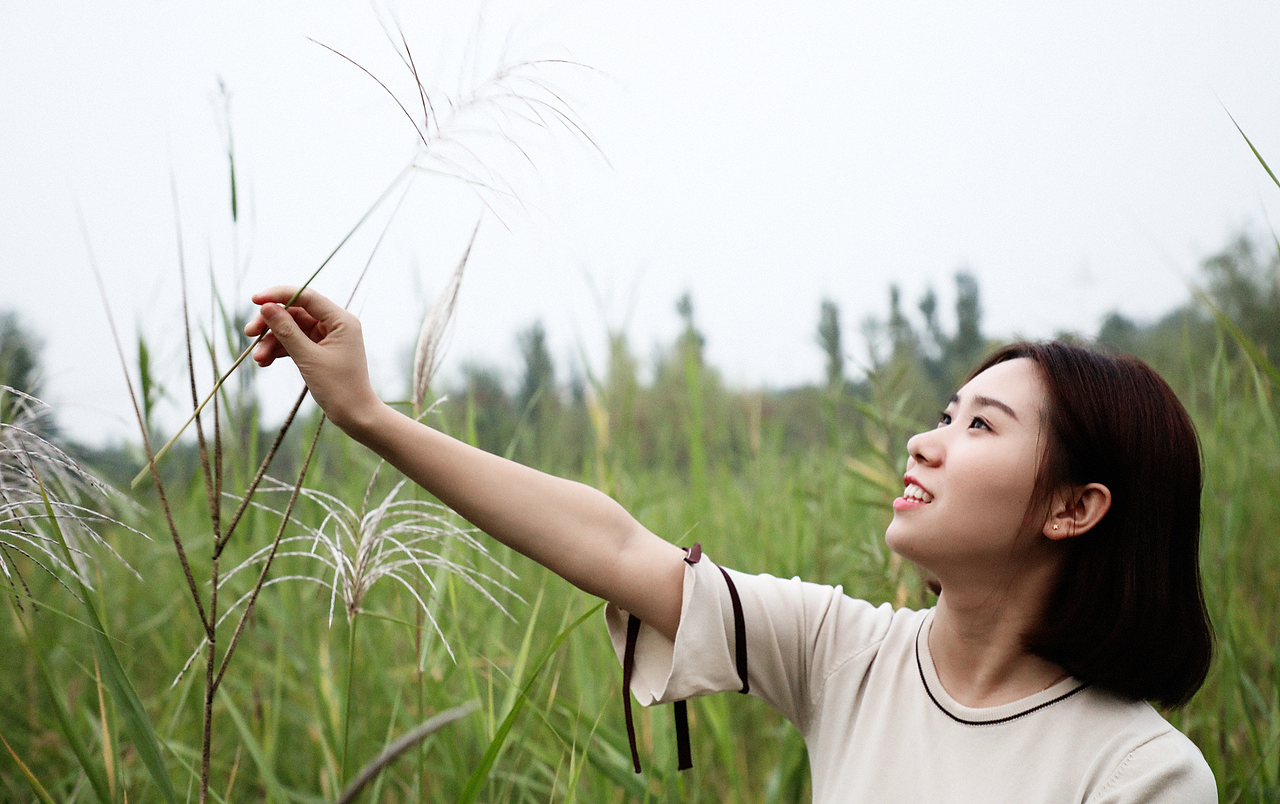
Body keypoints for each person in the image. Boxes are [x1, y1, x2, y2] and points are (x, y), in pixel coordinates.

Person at [246, 286, 1217, 803]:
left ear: (1072, 508)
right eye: (940, 412)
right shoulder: (849, 655)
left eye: (979, 427)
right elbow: (612, 541)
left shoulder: (1139, 774)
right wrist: (368, 414)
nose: (922, 440)